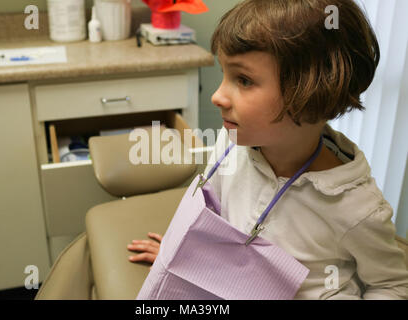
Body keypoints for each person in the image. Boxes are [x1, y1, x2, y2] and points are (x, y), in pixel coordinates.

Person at [127, 0, 408, 299]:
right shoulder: (232, 144)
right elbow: (218, 217)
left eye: (243, 80)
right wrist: (179, 252)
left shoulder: (356, 209)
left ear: (311, 92)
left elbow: (393, 285)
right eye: (224, 74)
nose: (217, 96)